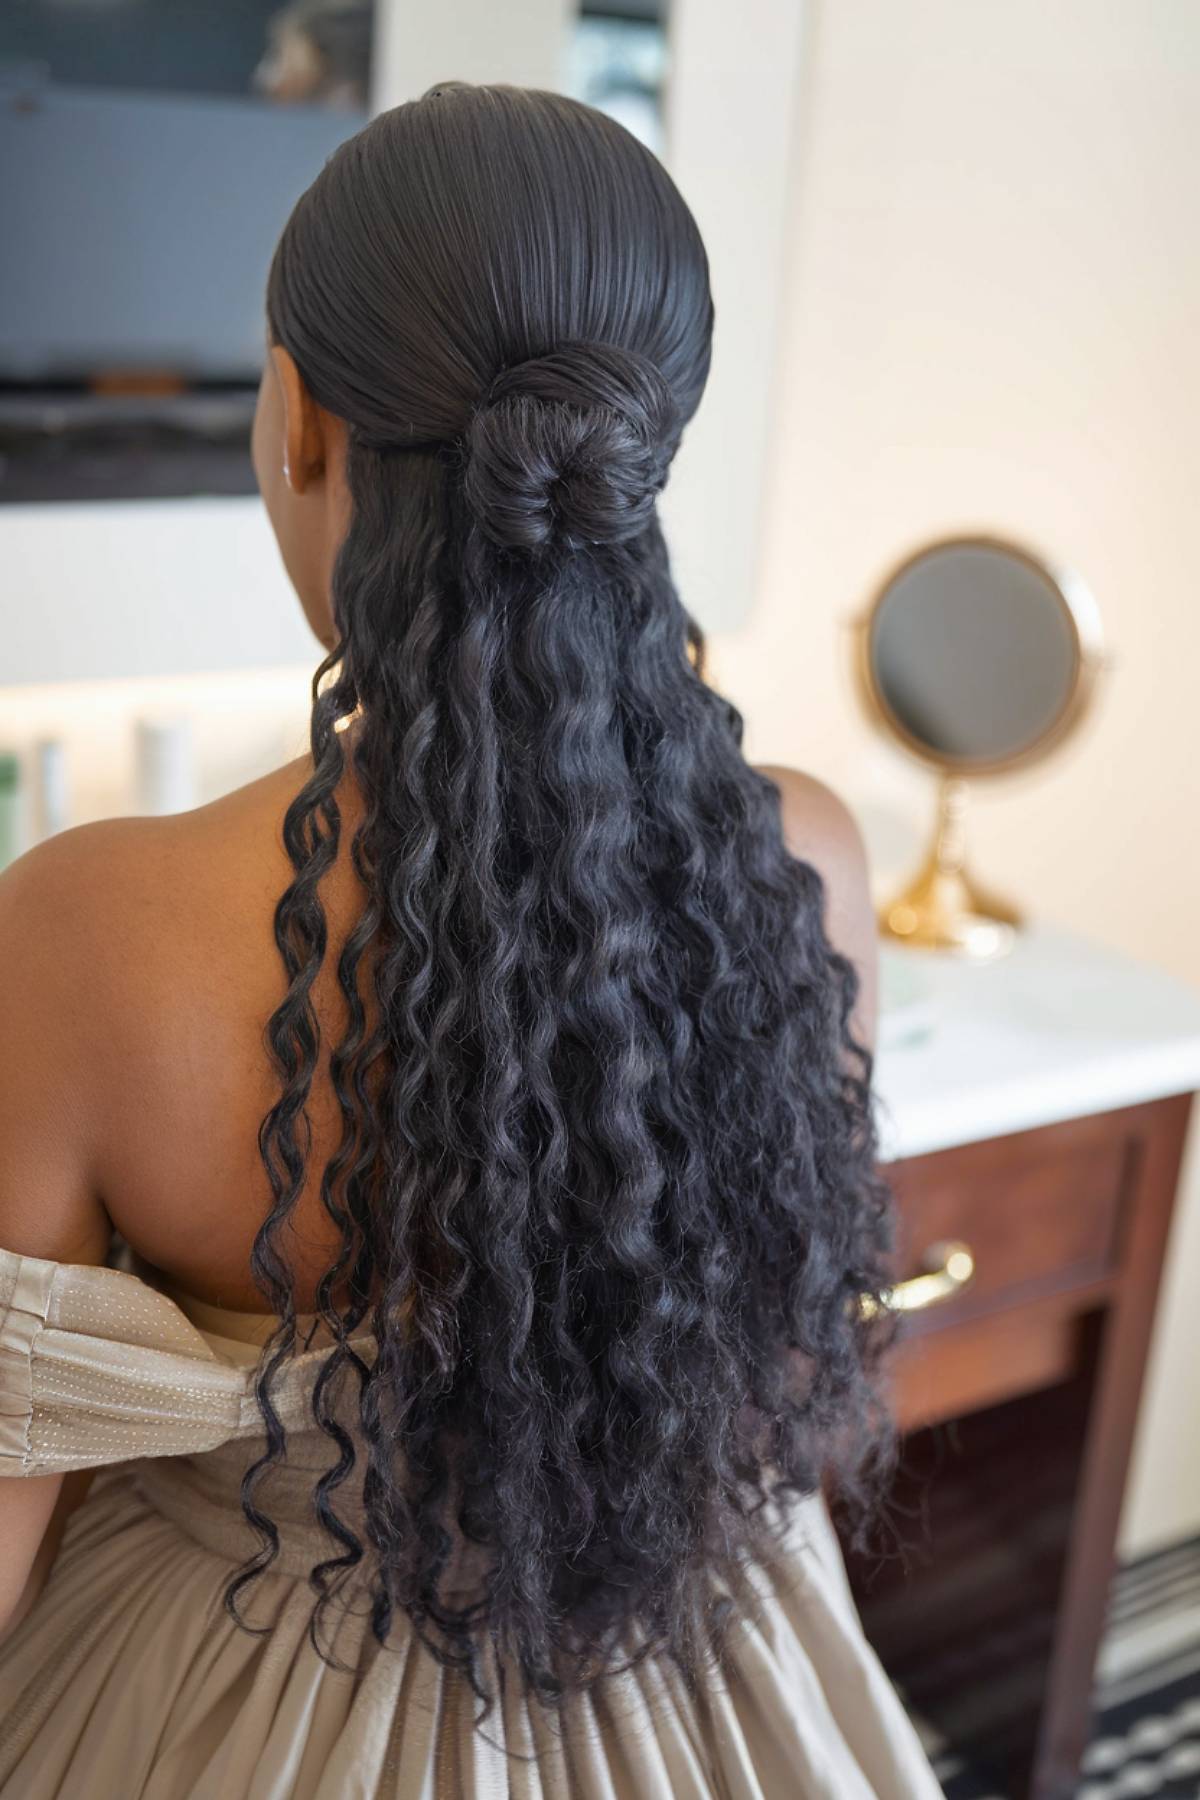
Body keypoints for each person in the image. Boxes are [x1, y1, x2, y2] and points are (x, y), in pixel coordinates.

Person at [0, 83, 946, 1798]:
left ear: (294, 421)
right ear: (647, 447)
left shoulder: (86, 932)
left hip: (229, 1695)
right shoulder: (803, 850)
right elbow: (778, 1381)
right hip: (701, 1670)